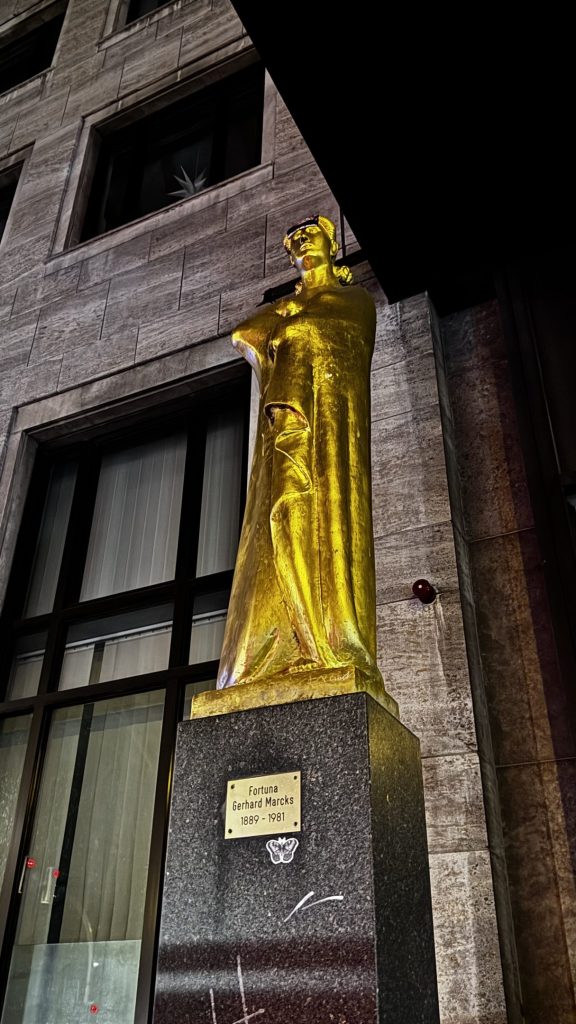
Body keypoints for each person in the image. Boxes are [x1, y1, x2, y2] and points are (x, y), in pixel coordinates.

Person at [216, 215, 385, 695]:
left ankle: (324, 644)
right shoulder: (290, 304)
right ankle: (289, 643)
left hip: (325, 435)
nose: (299, 243)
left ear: (333, 243)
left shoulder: (353, 301)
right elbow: (244, 334)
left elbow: (335, 344)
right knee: (278, 519)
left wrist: (293, 324)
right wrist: (289, 316)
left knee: (313, 521)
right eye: (291, 241)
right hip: (286, 432)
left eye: (309, 234)